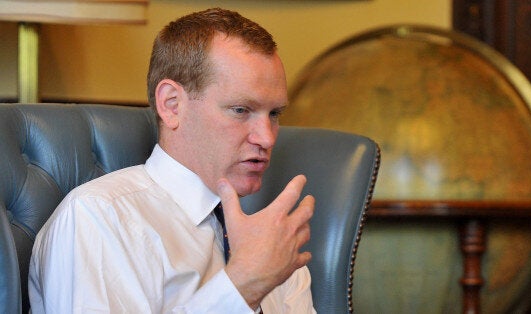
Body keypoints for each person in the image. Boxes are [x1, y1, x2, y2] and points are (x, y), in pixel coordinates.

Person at [28, 7, 317, 313]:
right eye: (241, 110)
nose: (267, 138)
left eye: (274, 114)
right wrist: (243, 285)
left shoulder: (273, 240)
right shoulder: (99, 217)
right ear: (172, 105)